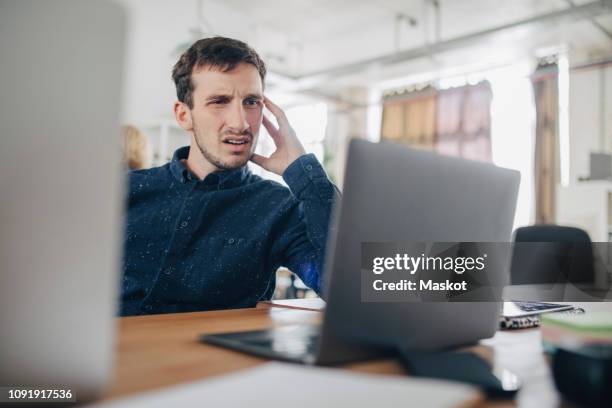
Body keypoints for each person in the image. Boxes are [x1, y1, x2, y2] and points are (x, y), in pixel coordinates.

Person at [120, 37, 339, 316]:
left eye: (251, 101)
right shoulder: (127, 190)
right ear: (184, 115)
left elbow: (358, 287)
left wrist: (305, 174)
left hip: (220, 359)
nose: (241, 123)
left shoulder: (279, 208)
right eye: (219, 101)